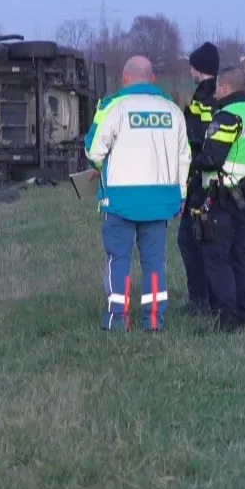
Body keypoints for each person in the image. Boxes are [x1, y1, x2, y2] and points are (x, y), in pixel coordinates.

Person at [83, 55, 190, 331]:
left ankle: (117, 320)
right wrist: (180, 196)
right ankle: (154, 320)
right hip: (160, 200)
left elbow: (93, 149)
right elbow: (183, 158)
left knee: (119, 260)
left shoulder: (113, 107)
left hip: (121, 199)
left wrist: (99, 165)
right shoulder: (173, 110)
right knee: (154, 261)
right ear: (153, 79)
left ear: (125, 79)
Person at [189, 67, 245, 330]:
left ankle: (227, 317)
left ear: (224, 88)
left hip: (223, 197)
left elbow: (212, 158)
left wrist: (191, 160)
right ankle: (241, 310)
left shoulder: (227, 117)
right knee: (241, 256)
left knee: (217, 257)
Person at [177, 41, 221, 315]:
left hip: (203, 177)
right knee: (194, 239)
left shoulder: (206, 98)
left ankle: (201, 301)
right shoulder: (208, 94)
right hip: (204, 176)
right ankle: (204, 299)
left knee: (191, 239)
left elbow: (199, 136)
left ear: (198, 69)